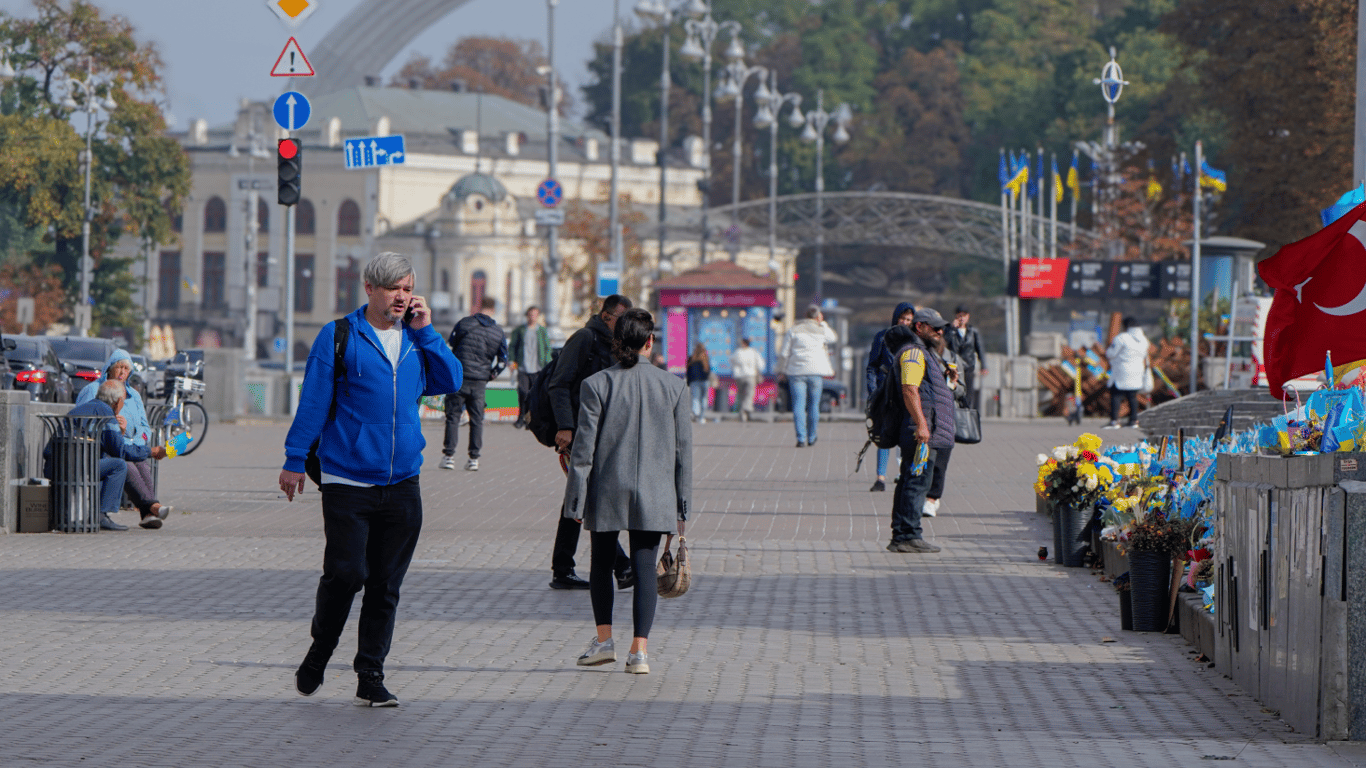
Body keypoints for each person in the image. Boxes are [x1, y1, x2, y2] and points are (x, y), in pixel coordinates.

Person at [278, 252, 462, 708]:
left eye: (407, 288)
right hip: (347, 480)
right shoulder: (340, 336)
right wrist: (294, 457)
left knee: (385, 585)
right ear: (370, 289)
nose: (401, 296)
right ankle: (320, 652)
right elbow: (314, 401)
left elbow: (451, 379)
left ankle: (370, 674)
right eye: (393, 288)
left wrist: (428, 331)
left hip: (403, 482)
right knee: (347, 574)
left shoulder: (417, 339)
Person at [565, 308, 691, 675]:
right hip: (656, 491)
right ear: (650, 341)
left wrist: (575, 497)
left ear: (617, 340)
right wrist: (682, 507)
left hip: (607, 486)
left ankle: (604, 641)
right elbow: (684, 453)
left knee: (602, 564)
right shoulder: (674, 387)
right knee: (644, 567)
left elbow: (583, 449)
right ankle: (640, 652)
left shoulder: (597, 385)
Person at [546, 295, 635, 591]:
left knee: (579, 497)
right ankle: (622, 566)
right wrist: (565, 427)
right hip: (579, 434)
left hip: (604, 434)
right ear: (607, 316)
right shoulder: (584, 338)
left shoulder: (616, 345)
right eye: (621, 320)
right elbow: (559, 384)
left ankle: (563, 567)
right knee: (590, 498)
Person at [75, 349, 172, 530]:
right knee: (126, 462)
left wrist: (134, 438)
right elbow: (84, 420)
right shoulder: (94, 390)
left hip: (130, 445)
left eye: (126, 369)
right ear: (109, 370)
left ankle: (148, 513)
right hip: (104, 448)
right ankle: (153, 507)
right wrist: (117, 430)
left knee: (141, 462)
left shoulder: (134, 395)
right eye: (118, 367)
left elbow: (144, 427)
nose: (121, 373)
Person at [45, 381, 160, 531]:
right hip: (75, 467)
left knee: (107, 461)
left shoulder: (84, 408)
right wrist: (150, 452)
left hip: (52, 467)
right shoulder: (106, 413)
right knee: (119, 465)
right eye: (123, 402)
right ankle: (101, 516)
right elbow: (120, 451)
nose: (123, 405)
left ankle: (149, 506)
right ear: (118, 401)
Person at [886, 307, 955, 554]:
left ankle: (904, 534)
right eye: (934, 327)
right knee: (916, 482)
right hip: (921, 431)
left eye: (941, 327)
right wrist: (922, 425)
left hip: (925, 428)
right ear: (919, 327)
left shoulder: (924, 352)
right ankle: (907, 535)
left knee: (912, 480)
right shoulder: (913, 353)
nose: (940, 331)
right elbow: (909, 389)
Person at [441, 296, 507, 471]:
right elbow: (502, 361)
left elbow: (450, 346)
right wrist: (490, 375)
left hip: (460, 378)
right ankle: (474, 459)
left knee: (453, 417)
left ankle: (449, 456)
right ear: (493, 310)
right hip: (479, 382)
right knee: (477, 420)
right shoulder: (498, 332)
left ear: (479, 306)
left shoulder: (464, 323)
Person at [864, 302, 915, 491]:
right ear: (896, 318)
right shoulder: (882, 337)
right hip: (885, 392)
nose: (905, 322)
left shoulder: (914, 340)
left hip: (907, 392)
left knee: (906, 436)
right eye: (902, 318)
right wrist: (873, 391)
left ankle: (903, 474)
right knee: (884, 434)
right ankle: (880, 477)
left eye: (909, 320)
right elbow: (872, 366)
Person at [779, 306, 837, 448]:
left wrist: (781, 370)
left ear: (805, 315)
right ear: (818, 316)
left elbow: (784, 353)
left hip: (796, 372)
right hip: (815, 372)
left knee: (798, 405)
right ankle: (812, 437)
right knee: (814, 405)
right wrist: (822, 322)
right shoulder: (821, 329)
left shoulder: (793, 329)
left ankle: (801, 438)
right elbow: (833, 338)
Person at [924, 332, 965, 519]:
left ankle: (932, 499)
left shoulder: (953, 359)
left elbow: (962, 390)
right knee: (923, 461)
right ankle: (923, 496)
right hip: (925, 414)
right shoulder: (921, 355)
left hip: (945, 417)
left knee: (939, 462)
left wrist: (953, 383)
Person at [508, 305, 551, 429]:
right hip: (523, 367)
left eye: (535, 315)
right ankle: (521, 418)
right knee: (523, 392)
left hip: (538, 368)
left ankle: (530, 421)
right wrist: (511, 361)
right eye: (530, 314)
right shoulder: (520, 330)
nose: (532, 317)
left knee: (535, 396)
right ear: (527, 315)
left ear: (537, 316)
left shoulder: (542, 331)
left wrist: (548, 365)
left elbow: (547, 349)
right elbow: (512, 347)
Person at [1105, 317, 1150, 429]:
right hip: (1137, 371)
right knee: (1132, 397)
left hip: (1122, 371)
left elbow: (1111, 353)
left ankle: (1115, 421)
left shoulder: (1121, 338)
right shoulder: (1144, 340)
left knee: (1116, 396)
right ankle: (1134, 421)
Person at [947, 304, 987, 412]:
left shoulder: (973, 332)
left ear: (968, 316)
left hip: (968, 367)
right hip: (953, 368)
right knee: (953, 391)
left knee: (968, 394)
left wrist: (984, 365)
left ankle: (966, 415)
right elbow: (944, 343)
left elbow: (980, 349)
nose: (961, 318)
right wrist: (951, 329)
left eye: (964, 316)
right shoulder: (951, 331)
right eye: (959, 316)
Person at [730, 337, 765, 422]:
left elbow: (731, 361)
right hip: (750, 375)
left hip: (739, 376)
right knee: (749, 394)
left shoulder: (738, 352)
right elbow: (760, 364)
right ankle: (746, 409)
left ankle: (744, 412)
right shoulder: (753, 352)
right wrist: (759, 371)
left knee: (742, 394)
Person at [685, 343, 711, 423]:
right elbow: (708, 371)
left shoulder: (691, 358)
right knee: (703, 399)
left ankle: (696, 413)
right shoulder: (705, 358)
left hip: (694, 381)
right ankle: (701, 417)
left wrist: (688, 382)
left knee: (695, 398)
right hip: (704, 381)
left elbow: (689, 372)